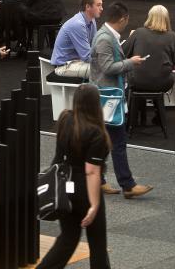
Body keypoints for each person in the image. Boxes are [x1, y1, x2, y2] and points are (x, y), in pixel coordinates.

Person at [36, 84, 111, 269]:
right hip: (86, 191)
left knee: (67, 240)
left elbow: (59, 156)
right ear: (96, 103)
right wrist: (94, 205)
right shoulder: (96, 133)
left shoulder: (65, 119)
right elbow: (91, 171)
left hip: (64, 186)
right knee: (98, 244)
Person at [90, 2, 153, 198]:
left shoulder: (107, 36)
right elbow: (108, 67)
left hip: (108, 96)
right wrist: (130, 63)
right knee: (117, 141)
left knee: (105, 142)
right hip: (106, 97)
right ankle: (127, 185)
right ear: (123, 19)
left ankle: (99, 180)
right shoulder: (105, 39)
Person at [51, 0, 103, 79]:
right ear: (88, 7)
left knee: (111, 67)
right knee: (107, 69)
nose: (102, 8)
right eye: (98, 5)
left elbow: (95, 45)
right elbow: (87, 56)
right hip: (64, 66)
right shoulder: (78, 24)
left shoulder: (91, 20)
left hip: (77, 62)